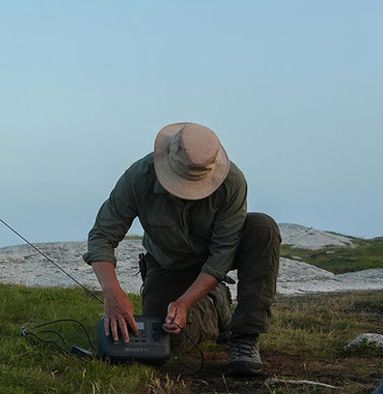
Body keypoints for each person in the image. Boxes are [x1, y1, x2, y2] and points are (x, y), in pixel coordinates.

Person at [83, 122, 281, 376]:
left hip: (213, 261)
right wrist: (112, 293)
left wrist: (185, 302)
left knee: (262, 227)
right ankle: (215, 303)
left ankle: (244, 336)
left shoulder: (233, 182)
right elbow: (102, 236)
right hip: (167, 267)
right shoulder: (138, 178)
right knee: (163, 342)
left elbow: (223, 252)